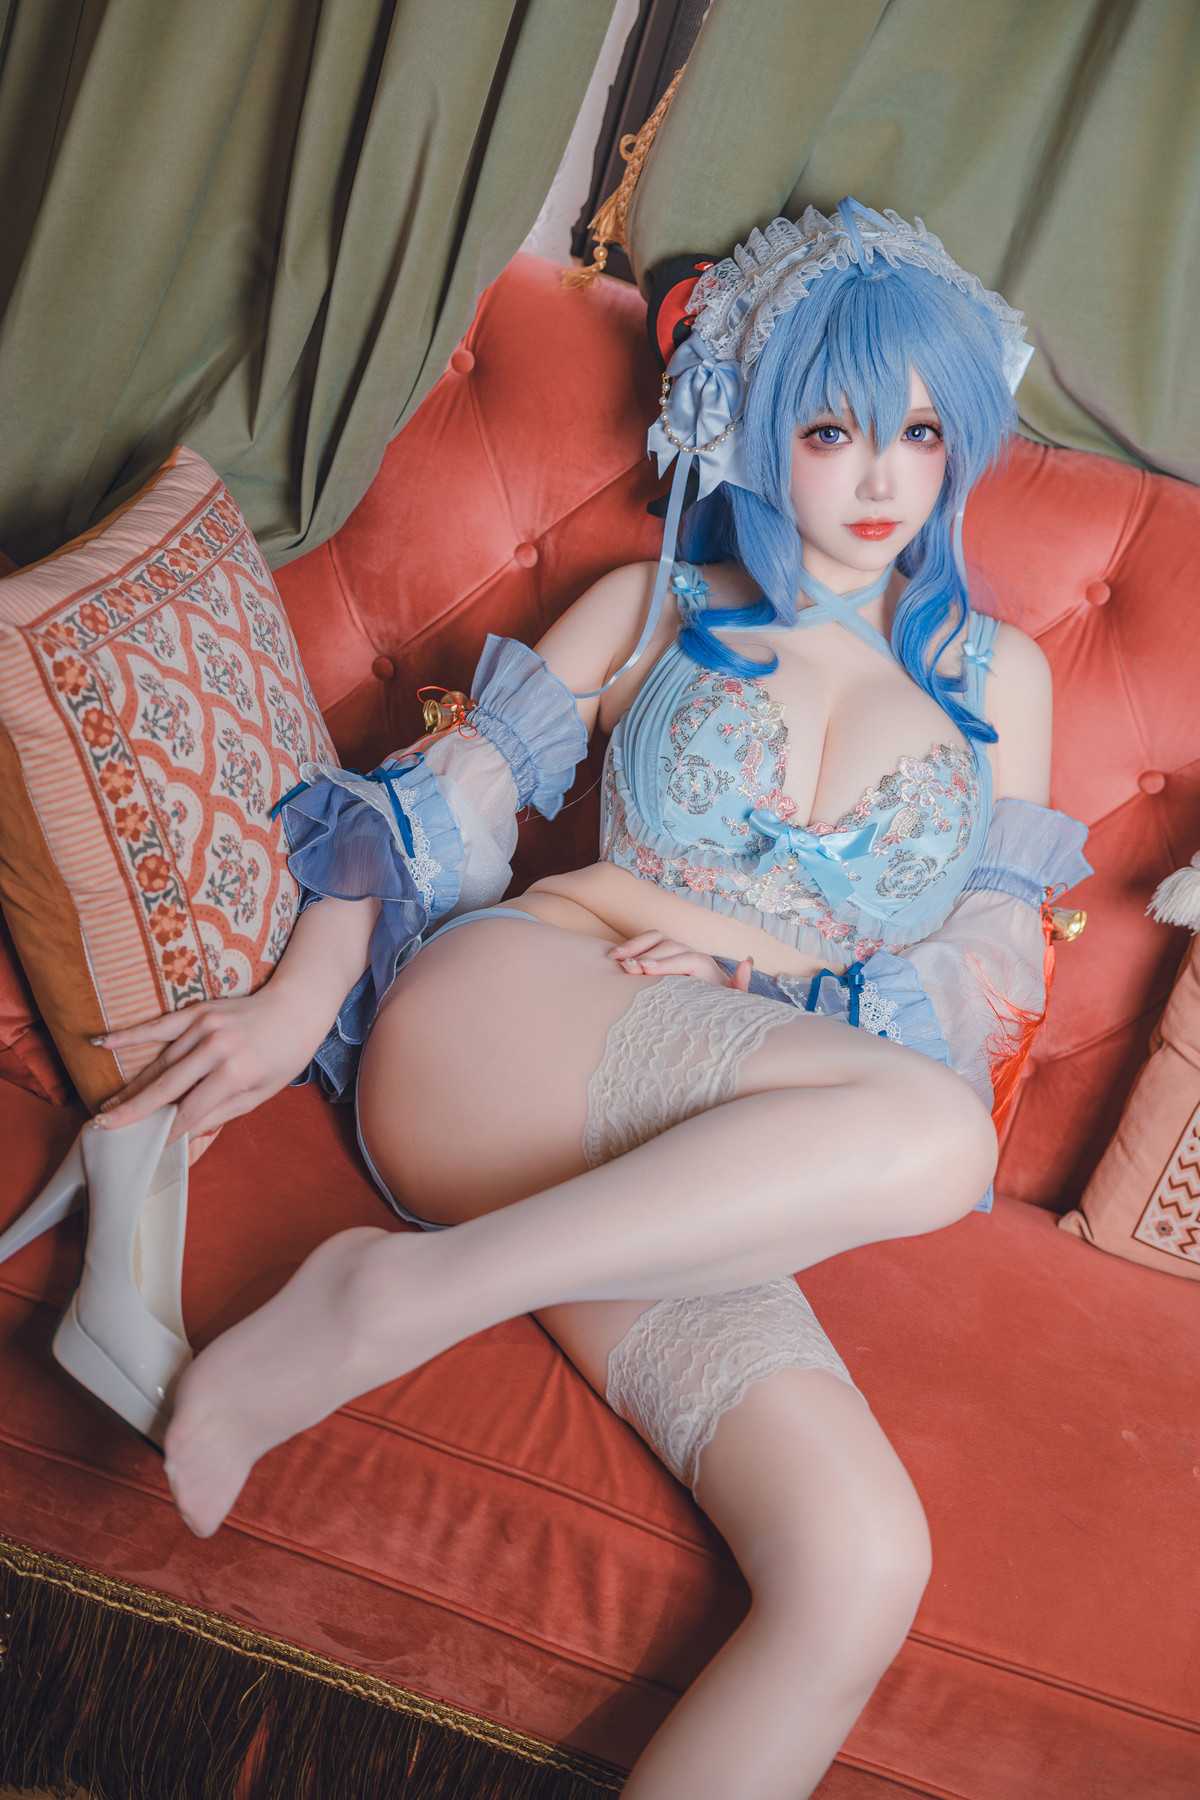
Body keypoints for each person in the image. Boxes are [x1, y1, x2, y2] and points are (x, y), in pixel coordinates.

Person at [22, 200, 1094, 1798]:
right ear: (753, 426)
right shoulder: (659, 606)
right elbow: (417, 815)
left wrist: (725, 943)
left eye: (922, 434)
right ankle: (383, 1301)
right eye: (832, 430)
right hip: (509, 1025)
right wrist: (296, 1002)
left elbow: (976, 986)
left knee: (861, 1562)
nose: (882, 478)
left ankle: (409, 1289)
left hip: (678, 1162)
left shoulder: (1001, 683)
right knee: (936, 1142)